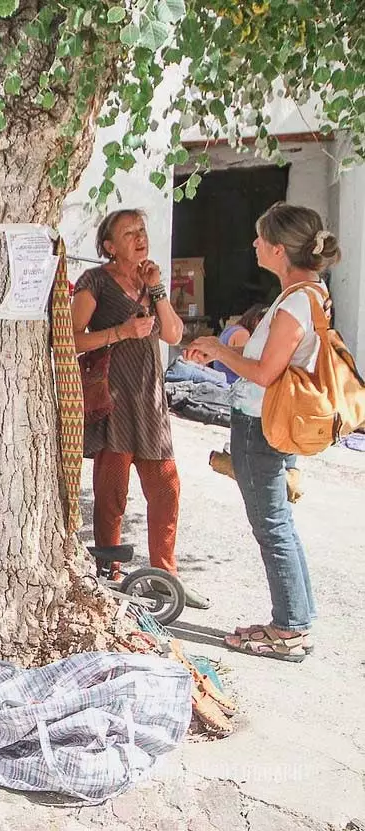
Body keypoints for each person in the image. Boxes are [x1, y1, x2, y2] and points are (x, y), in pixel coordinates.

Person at [185, 202, 338, 662]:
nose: (252, 245)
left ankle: (290, 628)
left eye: (259, 239)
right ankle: (295, 620)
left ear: (278, 249)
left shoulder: (295, 301)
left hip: (261, 423)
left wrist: (217, 348)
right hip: (273, 422)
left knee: (272, 527)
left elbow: (266, 373)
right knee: (279, 525)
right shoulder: (312, 293)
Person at [71, 209, 208, 609]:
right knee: (111, 492)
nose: (139, 237)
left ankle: (167, 576)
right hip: (113, 402)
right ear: (110, 247)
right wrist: (121, 332)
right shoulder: (94, 281)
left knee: (166, 487)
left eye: (141, 230)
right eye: (128, 232)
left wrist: (159, 289)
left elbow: (174, 334)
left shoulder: (151, 283)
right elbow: (71, 340)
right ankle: (108, 573)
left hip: (150, 402)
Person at [212, 304, 268, 384]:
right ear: (255, 320)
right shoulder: (242, 334)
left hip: (222, 379)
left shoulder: (231, 328)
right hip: (231, 383)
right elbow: (243, 366)